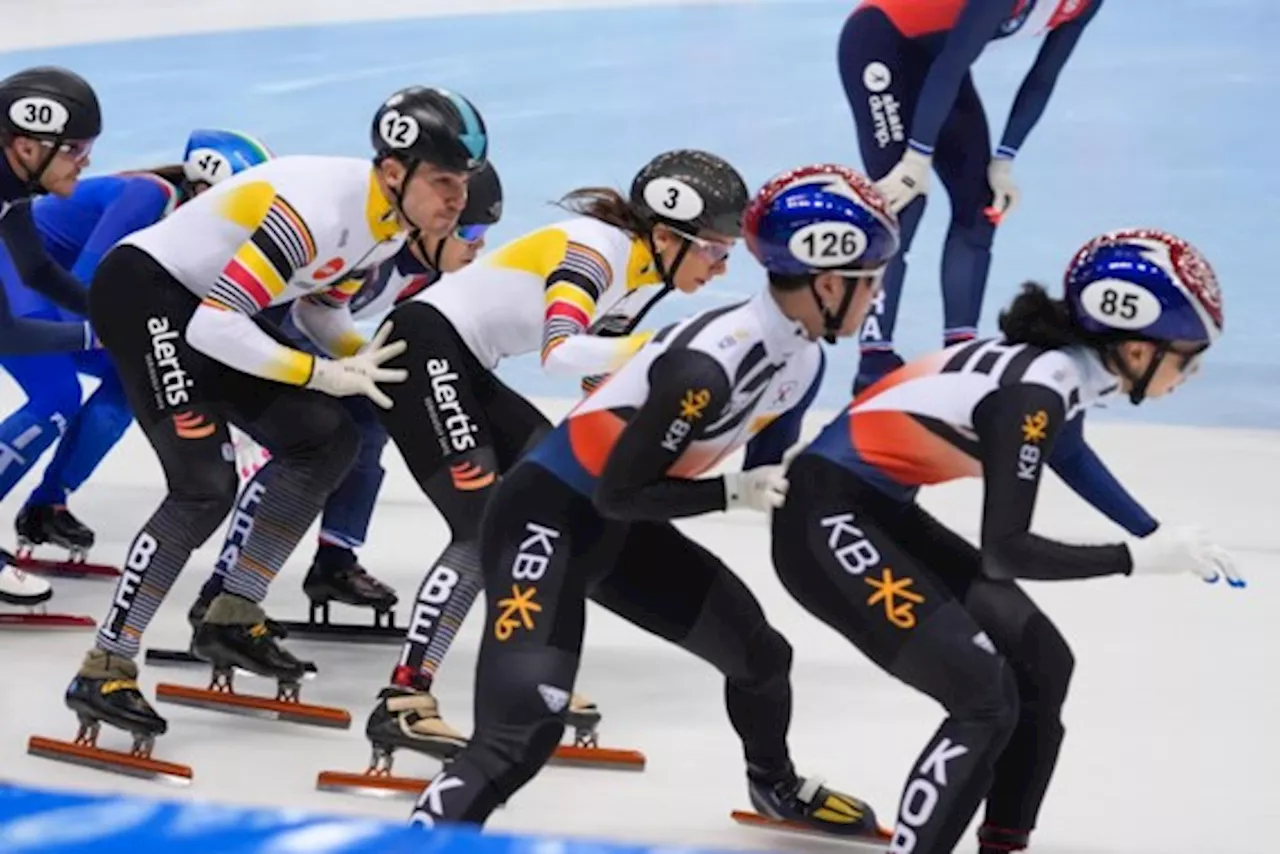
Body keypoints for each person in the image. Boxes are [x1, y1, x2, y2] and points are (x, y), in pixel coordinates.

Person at [407, 162, 901, 839]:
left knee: (762, 658)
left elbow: (775, 484)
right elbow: (622, 491)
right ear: (824, 280)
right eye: (868, 280)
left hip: (615, 521)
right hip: (545, 520)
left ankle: (775, 786)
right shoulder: (706, 365)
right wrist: (729, 491)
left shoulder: (803, 361)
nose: (877, 297)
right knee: (519, 737)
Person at [771, 227, 1240, 854]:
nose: (1192, 372)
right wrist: (1136, 559)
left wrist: (1153, 531)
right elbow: (1008, 550)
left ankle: (1003, 844)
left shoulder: (1060, 373)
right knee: (984, 698)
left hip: (874, 510)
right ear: (1134, 349)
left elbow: (1069, 453)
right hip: (822, 523)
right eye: (1187, 356)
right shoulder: (1034, 394)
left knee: (1043, 661)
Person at [61, 85, 488, 751]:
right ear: (395, 171)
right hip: (146, 294)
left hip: (206, 309)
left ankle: (233, 610)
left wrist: (360, 357)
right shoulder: (318, 210)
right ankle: (106, 664)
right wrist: (321, 372)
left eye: (464, 182)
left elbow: (318, 310)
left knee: (328, 439)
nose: (458, 201)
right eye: (444, 181)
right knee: (203, 486)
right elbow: (216, 327)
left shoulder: (388, 223)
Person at [361, 149, 751, 765]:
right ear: (665, 235)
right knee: (483, 524)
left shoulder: (644, 272)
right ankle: (402, 700)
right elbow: (563, 352)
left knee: (550, 507)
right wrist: (659, 350)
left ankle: (527, 679)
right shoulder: (595, 251)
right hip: (422, 346)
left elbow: (602, 386)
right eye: (714, 249)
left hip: (465, 363)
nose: (723, 267)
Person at [186, 161, 505, 631]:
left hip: (301, 338)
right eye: (471, 229)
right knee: (306, 442)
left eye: (485, 230)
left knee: (370, 424)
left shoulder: (426, 274)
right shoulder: (376, 253)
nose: (478, 244)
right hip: (246, 333)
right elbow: (266, 312)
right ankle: (221, 589)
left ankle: (335, 557)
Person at [0, 129, 272, 571]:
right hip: (18, 275)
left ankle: (48, 505)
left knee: (132, 381)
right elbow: (84, 293)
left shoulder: (198, 225)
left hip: (51, 292)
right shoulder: (150, 196)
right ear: (204, 189)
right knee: (57, 396)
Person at [837, 0, 1105, 391]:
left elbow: (1043, 77)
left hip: (939, 59)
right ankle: (874, 356)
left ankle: (959, 350)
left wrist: (1005, 161)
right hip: (879, 44)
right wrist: (916, 159)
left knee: (981, 205)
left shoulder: (1085, 4)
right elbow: (953, 64)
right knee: (902, 204)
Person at [0, 65, 101, 608]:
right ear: (26, 146)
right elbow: (8, 334)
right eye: (76, 149)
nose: (86, 162)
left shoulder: (10, 189)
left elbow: (37, 271)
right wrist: (92, 335)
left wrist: (108, 315)